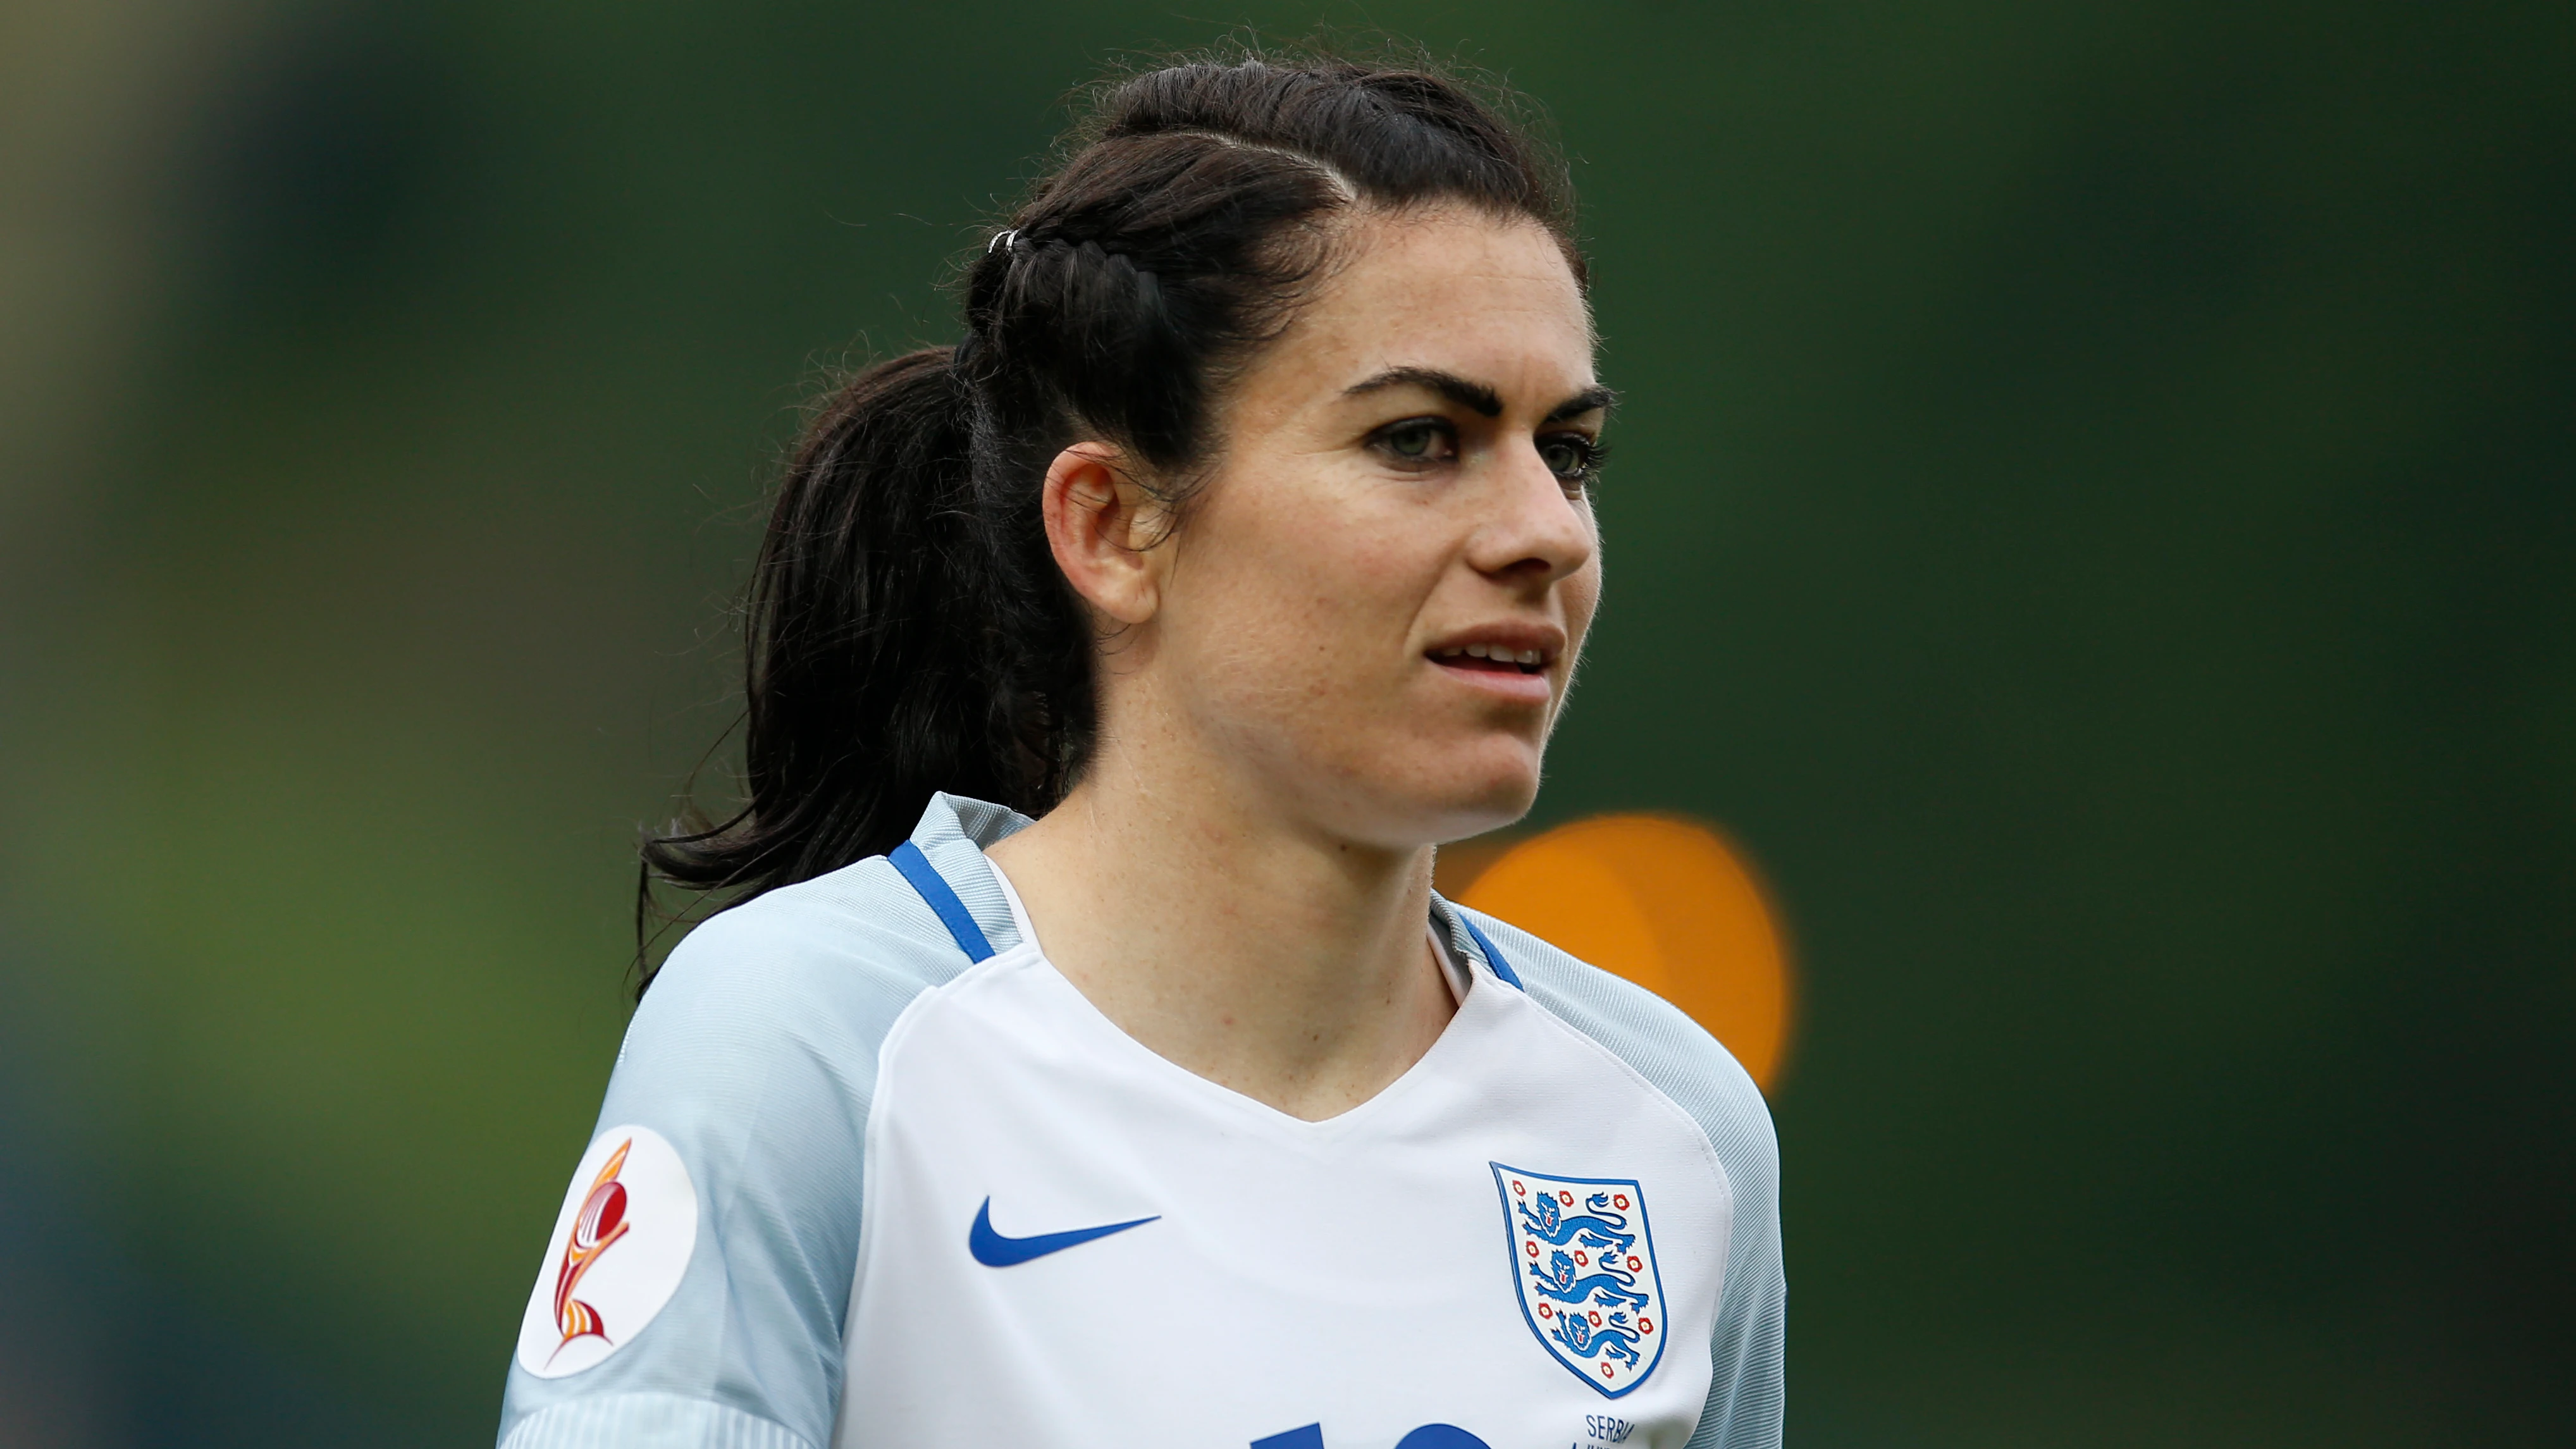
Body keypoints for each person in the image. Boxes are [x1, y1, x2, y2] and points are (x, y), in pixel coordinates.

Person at [496, 50, 1783, 1449]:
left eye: (1569, 451)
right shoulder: (813, 1043)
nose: (1543, 528)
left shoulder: (1670, 1133)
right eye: (1421, 438)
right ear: (1110, 525)